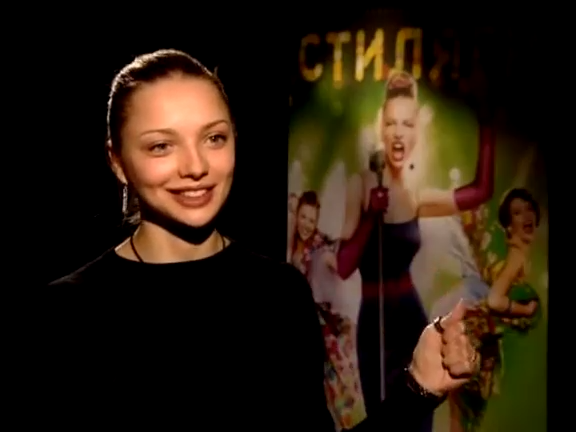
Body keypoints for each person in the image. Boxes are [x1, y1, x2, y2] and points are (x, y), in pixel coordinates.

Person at [41, 50, 480, 430]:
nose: (196, 166)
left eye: (214, 138)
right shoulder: (69, 313)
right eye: (161, 146)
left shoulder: (280, 294)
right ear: (117, 161)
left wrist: (418, 387)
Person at [336, 71, 495, 431]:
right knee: (385, 422)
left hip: (411, 321)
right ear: (381, 128)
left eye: (407, 124)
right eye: (392, 123)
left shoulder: (416, 197)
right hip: (375, 326)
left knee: (421, 419)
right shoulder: (360, 186)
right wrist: (370, 216)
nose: (399, 132)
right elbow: (344, 265)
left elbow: (481, 191)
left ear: (416, 133)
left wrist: (487, 125)